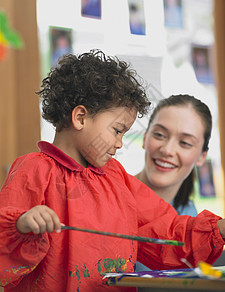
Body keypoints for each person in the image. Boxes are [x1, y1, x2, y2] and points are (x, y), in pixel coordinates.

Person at [0, 50, 225, 292]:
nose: (120, 143)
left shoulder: (116, 176)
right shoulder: (33, 169)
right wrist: (22, 225)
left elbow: (166, 232)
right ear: (80, 117)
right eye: (117, 130)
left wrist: (219, 229)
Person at [135, 94, 211, 272]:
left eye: (185, 143)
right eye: (159, 135)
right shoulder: (110, 198)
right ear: (145, 138)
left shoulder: (190, 216)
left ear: (202, 157)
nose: (167, 150)